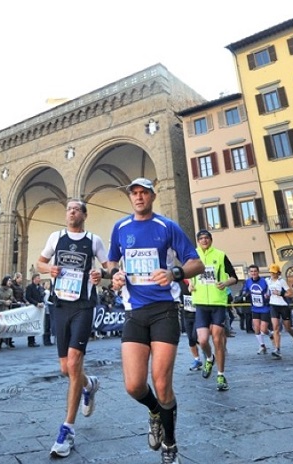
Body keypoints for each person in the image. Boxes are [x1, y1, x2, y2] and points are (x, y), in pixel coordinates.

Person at [108, 177, 203, 464]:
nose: (138, 197)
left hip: (164, 309)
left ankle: (170, 444)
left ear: (152, 195)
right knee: (134, 386)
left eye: (143, 193)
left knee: (162, 384)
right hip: (135, 313)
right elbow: (112, 261)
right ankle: (154, 413)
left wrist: (174, 273)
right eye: (134, 193)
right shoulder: (121, 228)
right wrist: (115, 275)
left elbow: (195, 263)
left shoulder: (166, 226)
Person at [37, 198, 108, 458]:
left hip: (83, 305)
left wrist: (103, 274)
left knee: (75, 361)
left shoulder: (94, 240)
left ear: (84, 215)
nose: (71, 212)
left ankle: (67, 429)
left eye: (76, 209)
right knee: (66, 369)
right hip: (60, 305)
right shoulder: (56, 237)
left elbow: (109, 266)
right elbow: (40, 263)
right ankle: (89, 385)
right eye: (68, 209)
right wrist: (49, 269)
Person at [189, 230, 238, 391]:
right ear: (197, 241)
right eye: (201, 238)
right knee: (202, 340)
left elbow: (234, 277)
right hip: (201, 302)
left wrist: (225, 283)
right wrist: (189, 284)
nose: (204, 240)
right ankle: (209, 358)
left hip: (218, 302)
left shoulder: (220, 255)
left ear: (211, 240)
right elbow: (187, 274)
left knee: (218, 339)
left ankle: (221, 375)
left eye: (206, 238)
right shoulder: (192, 255)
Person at [266, 264, 293, 358]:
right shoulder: (267, 281)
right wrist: (267, 294)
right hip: (273, 305)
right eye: (271, 272)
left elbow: (292, 294)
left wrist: (280, 293)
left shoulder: (281, 281)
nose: (272, 274)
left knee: (287, 327)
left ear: (278, 273)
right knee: (275, 327)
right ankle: (277, 349)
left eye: (274, 273)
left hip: (283, 306)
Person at [240, 265, 271, 355]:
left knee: (263, 329)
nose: (253, 273)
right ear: (250, 273)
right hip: (255, 307)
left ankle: (270, 334)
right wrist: (245, 294)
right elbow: (245, 291)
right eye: (252, 271)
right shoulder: (248, 282)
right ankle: (262, 346)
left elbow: (269, 291)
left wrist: (267, 296)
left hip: (264, 307)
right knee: (256, 328)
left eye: (255, 271)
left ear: (258, 272)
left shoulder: (264, 281)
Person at [0, 276, 16, 350]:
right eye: (9, 281)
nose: (10, 282)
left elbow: (11, 298)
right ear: (5, 281)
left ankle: (7, 341)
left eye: (11, 281)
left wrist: (10, 301)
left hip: (6, 309)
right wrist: (4, 302)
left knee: (7, 326)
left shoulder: (10, 290)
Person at [24, 273, 45, 347]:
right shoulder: (30, 287)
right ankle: (30, 341)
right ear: (34, 279)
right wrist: (36, 303)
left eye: (39, 278)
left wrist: (42, 302)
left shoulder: (39, 287)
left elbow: (41, 296)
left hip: (39, 307)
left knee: (35, 324)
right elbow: (28, 297)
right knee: (31, 324)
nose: (39, 279)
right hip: (32, 307)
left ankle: (33, 340)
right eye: (38, 278)